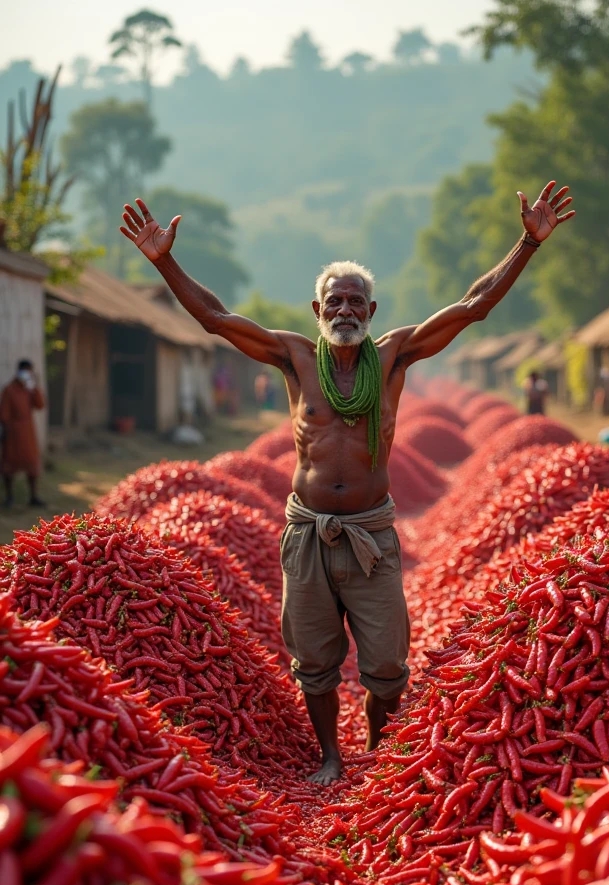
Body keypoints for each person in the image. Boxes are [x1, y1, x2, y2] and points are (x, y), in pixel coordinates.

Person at [120, 180, 576, 785]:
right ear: (317, 311)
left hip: (369, 532)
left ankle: (380, 746)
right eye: (334, 302)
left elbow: (473, 305)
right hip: (308, 533)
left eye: (356, 302)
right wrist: (164, 260)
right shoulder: (293, 358)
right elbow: (215, 318)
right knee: (314, 663)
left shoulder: (391, 357)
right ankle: (331, 756)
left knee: (387, 663)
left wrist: (526, 243)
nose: (344, 311)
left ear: (372, 311)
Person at [0, 359, 46, 508]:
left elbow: (40, 405)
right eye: (26, 370)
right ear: (19, 370)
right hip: (13, 433)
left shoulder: (29, 389)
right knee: (9, 465)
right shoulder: (9, 389)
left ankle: (33, 496)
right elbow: (4, 414)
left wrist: (34, 388)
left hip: (28, 431)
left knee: (32, 464)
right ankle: (9, 497)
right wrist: (5, 431)